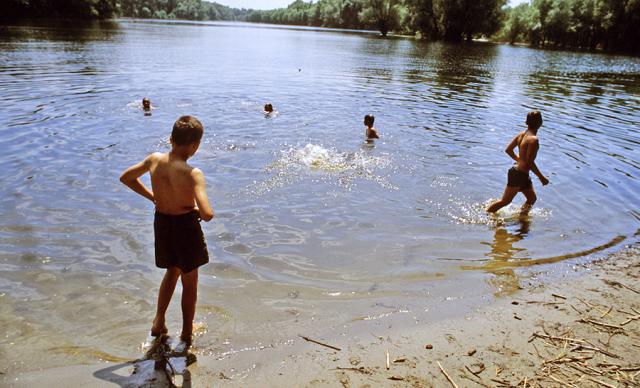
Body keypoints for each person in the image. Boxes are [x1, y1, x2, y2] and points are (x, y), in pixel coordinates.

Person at [120, 115, 214, 347]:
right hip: (185, 228)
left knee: (171, 271)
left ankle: (158, 320)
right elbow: (207, 213)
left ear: (170, 139)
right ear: (195, 145)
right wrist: (194, 207)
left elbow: (126, 178)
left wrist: (153, 197)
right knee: (189, 282)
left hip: (162, 223)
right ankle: (186, 332)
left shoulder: (154, 160)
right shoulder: (193, 173)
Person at [487, 110, 549, 215]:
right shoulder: (534, 140)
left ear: (527, 122)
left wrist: (519, 160)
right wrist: (541, 177)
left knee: (531, 199)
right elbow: (529, 162)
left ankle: (522, 219)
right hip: (518, 175)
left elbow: (508, 150)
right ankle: (486, 214)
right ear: (540, 123)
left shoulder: (522, 134)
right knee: (505, 201)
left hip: (521, 173)